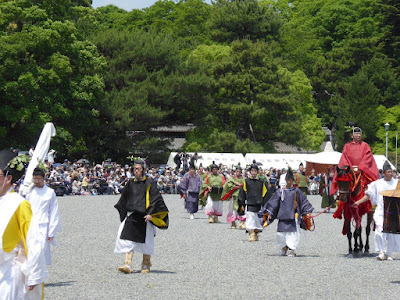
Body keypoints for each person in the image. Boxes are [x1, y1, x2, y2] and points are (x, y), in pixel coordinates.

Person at [0, 150, 48, 299]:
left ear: (8, 179)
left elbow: (32, 239)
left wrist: (34, 273)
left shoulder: (19, 204)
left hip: (9, 271)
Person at [114, 160, 169, 274]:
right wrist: (124, 212)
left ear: (143, 170)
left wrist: (151, 214)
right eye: (134, 169)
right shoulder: (130, 183)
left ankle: (146, 264)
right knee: (126, 240)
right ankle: (127, 264)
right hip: (132, 215)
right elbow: (124, 198)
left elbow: (155, 199)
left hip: (145, 217)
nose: (136, 171)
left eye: (138, 169)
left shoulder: (149, 183)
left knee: (146, 242)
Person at [262, 168, 314, 256]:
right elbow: (273, 203)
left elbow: (303, 202)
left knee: (293, 233)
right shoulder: (280, 191)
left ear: (293, 181)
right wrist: (270, 213)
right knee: (281, 234)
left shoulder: (297, 191)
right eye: (287, 180)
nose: (289, 182)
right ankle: (284, 247)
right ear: (285, 181)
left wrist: (307, 212)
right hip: (282, 215)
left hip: (294, 215)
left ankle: (292, 249)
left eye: (290, 180)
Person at [353, 161, 399, 260]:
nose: (390, 174)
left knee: (392, 233)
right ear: (383, 173)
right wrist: (358, 202)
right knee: (379, 230)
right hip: (381, 211)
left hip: (394, 212)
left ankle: (390, 253)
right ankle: (382, 252)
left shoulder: (397, 183)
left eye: (391, 172)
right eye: (388, 172)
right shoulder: (376, 184)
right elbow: (368, 195)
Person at [26, 167, 62, 266]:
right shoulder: (29, 191)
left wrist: (52, 230)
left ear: (43, 179)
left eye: (39, 179)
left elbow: (53, 211)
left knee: (41, 250)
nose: (37, 181)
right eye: (35, 179)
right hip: (30, 224)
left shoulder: (50, 192)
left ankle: (40, 276)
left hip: (43, 224)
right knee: (30, 250)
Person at [238, 163, 268, 241]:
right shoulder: (246, 181)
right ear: (250, 172)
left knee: (258, 220)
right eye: (252, 171)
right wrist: (242, 204)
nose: (254, 172)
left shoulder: (261, 182)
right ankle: (251, 234)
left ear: (257, 172)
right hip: (250, 203)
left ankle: (256, 233)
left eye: (255, 171)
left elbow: (265, 193)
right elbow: (242, 193)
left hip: (259, 203)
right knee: (250, 219)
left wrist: (265, 204)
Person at [221, 164, 246, 229]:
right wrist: (236, 186)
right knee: (232, 209)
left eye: (239, 171)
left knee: (242, 208)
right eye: (237, 171)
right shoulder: (232, 178)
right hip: (234, 195)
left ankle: (242, 222)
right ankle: (233, 223)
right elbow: (228, 185)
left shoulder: (244, 179)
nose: (238, 173)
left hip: (241, 196)